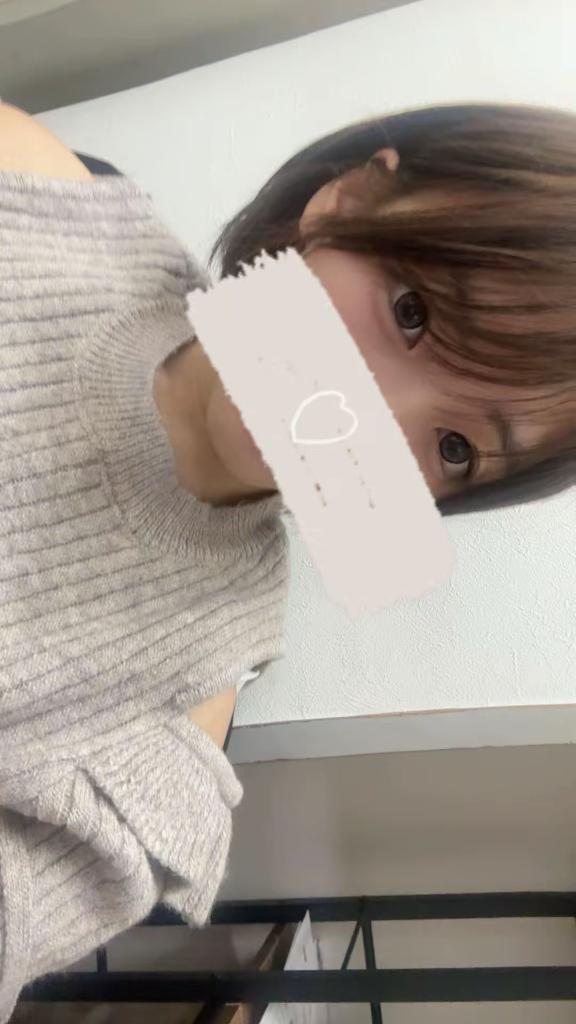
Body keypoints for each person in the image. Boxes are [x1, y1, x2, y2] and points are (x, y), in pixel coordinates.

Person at [0, 97, 574, 1018]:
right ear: (347, 201)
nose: (368, 416)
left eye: (456, 447)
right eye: (413, 312)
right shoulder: (40, 192)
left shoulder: (183, 707)